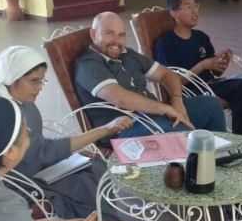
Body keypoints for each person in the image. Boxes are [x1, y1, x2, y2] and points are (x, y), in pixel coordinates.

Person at [0, 46, 177, 221]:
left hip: (37, 167)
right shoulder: (5, 115)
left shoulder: (22, 103)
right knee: (82, 185)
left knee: (92, 168)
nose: (39, 88)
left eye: (42, 81)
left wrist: (100, 133)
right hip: (17, 182)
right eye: (34, 81)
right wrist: (103, 131)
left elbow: (40, 148)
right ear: (11, 78)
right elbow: (41, 152)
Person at [74, 12, 227, 138]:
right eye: (109, 33)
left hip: (154, 116)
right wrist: (166, 109)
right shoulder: (88, 64)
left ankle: (219, 157)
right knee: (178, 132)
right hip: (125, 128)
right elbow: (121, 99)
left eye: (121, 35)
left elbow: (167, 74)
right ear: (93, 34)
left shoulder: (128, 54)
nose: (116, 41)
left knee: (211, 105)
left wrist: (177, 101)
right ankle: (194, 162)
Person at [154, 0, 242, 139]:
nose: (195, 11)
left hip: (212, 85)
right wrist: (202, 65)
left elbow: (215, 73)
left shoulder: (201, 37)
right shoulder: (165, 43)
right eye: (188, 7)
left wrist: (221, 62)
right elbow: (172, 82)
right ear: (174, 13)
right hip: (192, 92)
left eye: (196, 6)